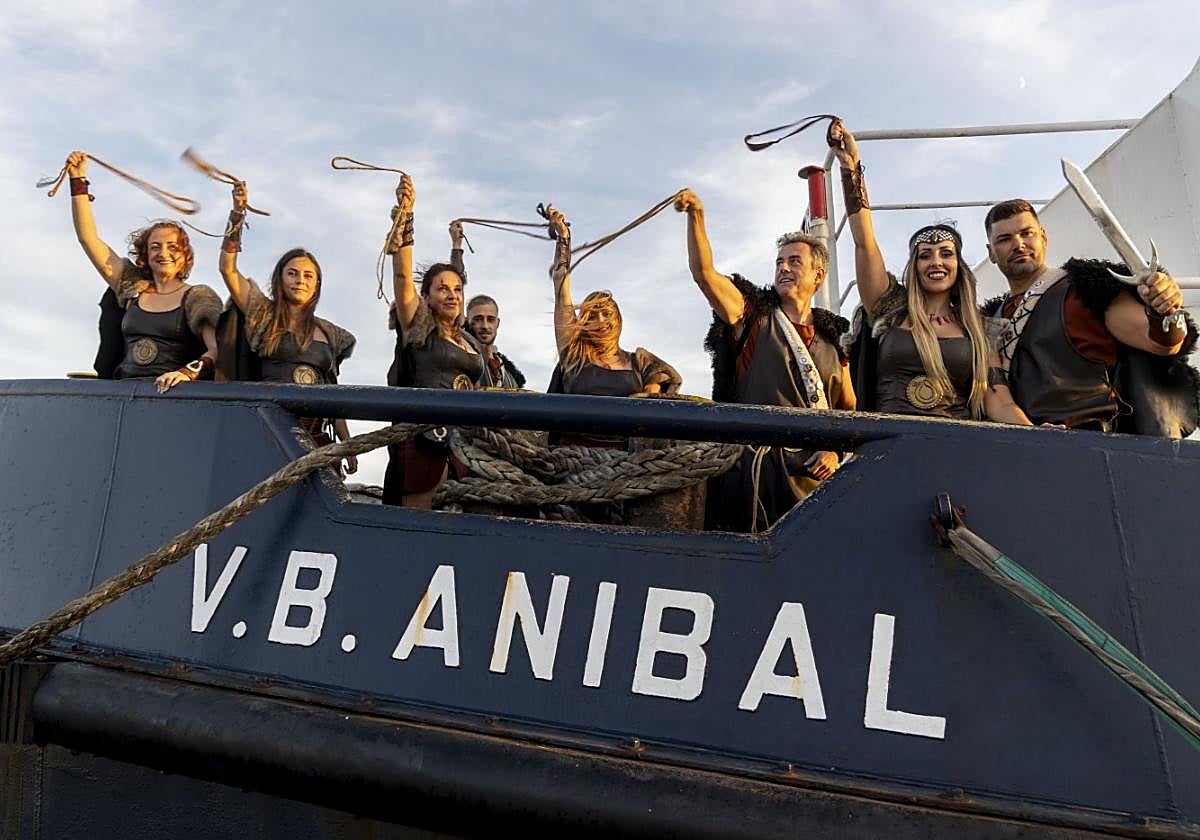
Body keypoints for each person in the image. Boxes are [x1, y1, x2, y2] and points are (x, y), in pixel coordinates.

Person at [674, 189, 855, 533]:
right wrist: (696, 216)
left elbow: (847, 408)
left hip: (811, 484)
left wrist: (834, 451)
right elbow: (705, 274)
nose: (783, 268)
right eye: (779, 262)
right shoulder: (752, 315)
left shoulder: (833, 337)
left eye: (794, 261)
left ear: (819, 275)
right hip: (751, 474)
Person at [828, 121, 1031, 424]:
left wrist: (1036, 432)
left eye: (946, 254)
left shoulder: (980, 330)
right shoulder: (890, 310)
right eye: (925, 256)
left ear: (958, 267)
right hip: (888, 444)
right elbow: (864, 244)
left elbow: (998, 400)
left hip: (956, 448)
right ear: (915, 266)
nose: (936, 262)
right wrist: (850, 168)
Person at [983, 198, 1197, 435]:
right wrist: (1032, 436)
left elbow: (1160, 343)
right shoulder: (988, 321)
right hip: (1029, 448)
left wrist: (1165, 309)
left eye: (1027, 233)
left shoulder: (1083, 289)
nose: (1019, 244)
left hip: (1097, 440)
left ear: (1043, 237)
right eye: (1004, 239)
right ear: (991, 252)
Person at [217, 181, 358, 473]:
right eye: (292, 273)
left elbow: (332, 388)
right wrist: (237, 215)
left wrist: (346, 444)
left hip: (316, 434)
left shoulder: (329, 333)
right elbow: (227, 269)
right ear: (280, 278)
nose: (300, 280)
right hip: (271, 426)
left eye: (308, 276)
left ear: (317, 285)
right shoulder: (263, 314)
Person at [64, 151, 220, 391]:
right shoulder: (131, 287)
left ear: (184, 256)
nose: (163, 253)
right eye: (155, 247)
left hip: (174, 394)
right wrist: (78, 181)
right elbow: (88, 238)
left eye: (172, 247)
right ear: (146, 255)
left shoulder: (199, 297)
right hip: (124, 392)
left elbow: (217, 350)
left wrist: (185, 373)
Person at [383, 176, 485, 508]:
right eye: (442, 288)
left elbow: (458, 273)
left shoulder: (468, 340)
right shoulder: (418, 327)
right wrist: (406, 215)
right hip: (425, 442)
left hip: (468, 447)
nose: (452, 295)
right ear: (426, 296)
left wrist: (457, 248)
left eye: (457, 290)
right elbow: (401, 276)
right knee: (422, 535)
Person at [544, 205, 682, 403]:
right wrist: (563, 238)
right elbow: (560, 285)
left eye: (606, 313)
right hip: (578, 433)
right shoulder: (573, 355)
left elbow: (656, 402)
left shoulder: (640, 363)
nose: (600, 320)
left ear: (618, 319)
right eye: (591, 316)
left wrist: (653, 390)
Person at [447, 218, 527, 389]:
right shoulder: (465, 353)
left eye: (490, 319)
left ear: (498, 323)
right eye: (478, 319)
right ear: (467, 320)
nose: (484, 325)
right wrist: (457, 246)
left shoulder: (508, 372)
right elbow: (457, 290)